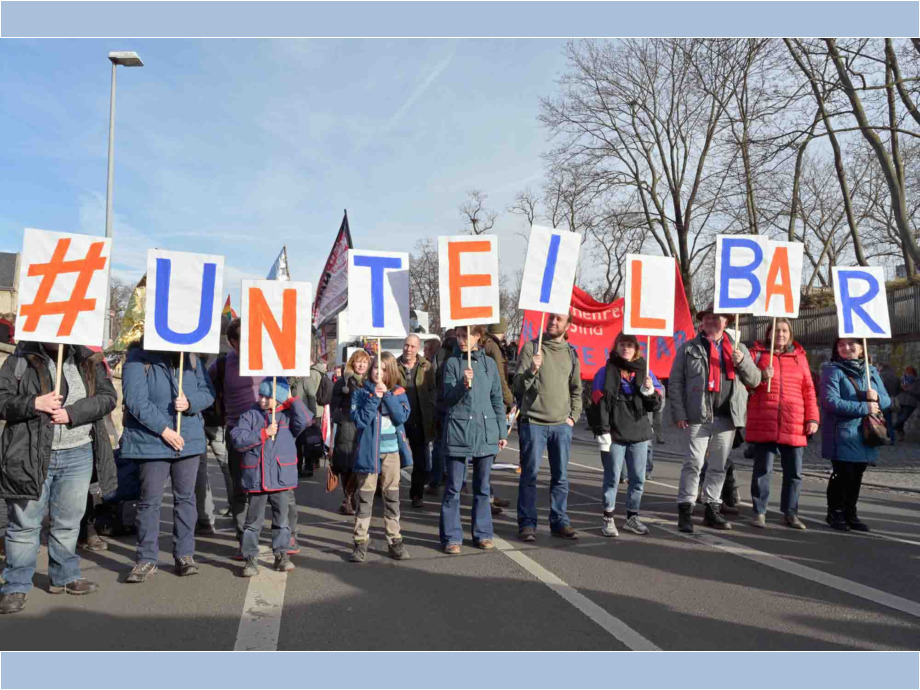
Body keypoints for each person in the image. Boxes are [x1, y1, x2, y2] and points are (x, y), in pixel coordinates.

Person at [0, 342, 117, 614]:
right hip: (29, 454)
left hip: (78, 453)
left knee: (68, 522)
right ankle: (16, 585)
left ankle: (65, 575)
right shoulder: (20, 359)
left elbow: (107, 397)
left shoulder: (88, 359)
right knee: (24, 525)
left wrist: (73, 413)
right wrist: (34, 403)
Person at [120, 343, 215, 583]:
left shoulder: (192, 359)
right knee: (149, 501)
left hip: (188, 440)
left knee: (186, 499)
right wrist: (164, 430)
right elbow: (135, 400)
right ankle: (146, 558)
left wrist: (191, 403)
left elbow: (208, 393)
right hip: (151, 442)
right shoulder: (138, 357)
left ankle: (185, 555)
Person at [669, 305, 761, 533]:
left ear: (726, 322)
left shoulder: (739, 348)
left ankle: (712, 508)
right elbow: (676, 382)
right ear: (702, 322)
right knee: (693, 463)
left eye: (716, 318)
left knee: (718, 466)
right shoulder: (688, 348)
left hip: (727, 417)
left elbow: (755, 380)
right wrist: (679, 412)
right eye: (707, 318)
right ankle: (686, 510)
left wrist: (742, 361)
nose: (711, 321)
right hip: (697, 416)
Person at [513, 312, 583, 541]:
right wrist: (532, 371)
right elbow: (518, 387)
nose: (553, 322)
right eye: (551, 318)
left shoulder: (571, 353)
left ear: (568, 324)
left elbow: (576, 389)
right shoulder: (531, 348)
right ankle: (527, 524)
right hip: (533, 423)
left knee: (560, 477)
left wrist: (573, 417)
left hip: (561, 426)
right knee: (529, 477)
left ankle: (559, 521)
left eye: (559, 319)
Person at [439, 325, 508, 554]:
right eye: (458, 335)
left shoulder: (489, 364)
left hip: (485, 431)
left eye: (465, 335)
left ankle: (483, 533)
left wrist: (501, 432)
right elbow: (447, 399)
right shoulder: (452, 364)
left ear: (478, 336)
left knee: (483, 487)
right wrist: (462, 385)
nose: (461, 340)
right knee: (453, 488)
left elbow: (497, 399)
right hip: (458, 431)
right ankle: (451, 537)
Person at [230, 377, 309, 576]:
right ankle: (250, 558)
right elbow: (237, 438)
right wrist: (263, 433)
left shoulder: (288, 415)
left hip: (280, 479)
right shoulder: (250, 414)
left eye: (269, 396)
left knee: (281, 521)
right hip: (257, 478)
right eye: (261, 395)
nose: (263, 400)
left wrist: (292, 399)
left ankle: (281, 554)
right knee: (252, 523)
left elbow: (306, 420)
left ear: (279, 398)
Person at [745, 319, 819, 530]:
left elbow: (809, 390)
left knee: (794, 472)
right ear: (768, 333)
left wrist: (813, 418)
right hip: (765, 420)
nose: (781, 334)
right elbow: (745, 383)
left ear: (790, 334)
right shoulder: (756, 355)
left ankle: (790, 512)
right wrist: (761, 376)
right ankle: (759, 511)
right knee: (763, 470)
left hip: (794, 422)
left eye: (785, 330)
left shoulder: (799, 358)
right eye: (776, 330)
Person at [588, 333, 663, 537]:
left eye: (630, 345)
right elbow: (597, 403)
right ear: (616, 346)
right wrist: (602, 431)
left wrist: (650, 391)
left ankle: (632, 518)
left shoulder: (645, 371)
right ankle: (608, 519)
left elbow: (656, 405)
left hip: (639, 433)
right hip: (614, 433)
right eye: (622, 344)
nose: (626, 348)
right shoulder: (605, 372)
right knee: (612, 478)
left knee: (638, 479)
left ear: (636, 349)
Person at [819, 338, 891, 532]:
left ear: (861, 348)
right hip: (842, 432)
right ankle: (835, 512)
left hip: (866, 433)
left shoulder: (871, 371)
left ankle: (850, 513)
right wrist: (864, 407)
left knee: (857, 474)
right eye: (841, 345)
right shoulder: (832, 371)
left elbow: (886, 401)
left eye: (851, 344)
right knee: (843, 474)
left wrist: (876, 397)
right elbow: (830, 401)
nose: (846, 348)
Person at [209, 319, 266, 558]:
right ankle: (244, 537)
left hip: (269, 432)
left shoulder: (268, 357)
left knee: (275, 487)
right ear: (232, 341)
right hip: (237, 433)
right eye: (243, 337)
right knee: (240, 487)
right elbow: (206, 391)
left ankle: (285, 536)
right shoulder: (221, 365)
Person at [349, 352, 413, 562]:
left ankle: (395, 540)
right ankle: (360, 542)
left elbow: (401, 417)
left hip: (391, 452)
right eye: (376, 367)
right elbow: (359, 420)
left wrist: (387, 396)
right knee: (365, 497)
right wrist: (374, 398)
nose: (379, 372)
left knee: (392, 497)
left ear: (391, 371)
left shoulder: (398, 392)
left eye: (384, 369)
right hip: (368, 452)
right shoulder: (360, 392)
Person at [396, 334, 437, 509]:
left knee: (420, 461)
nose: (408, 349)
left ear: (418, 348)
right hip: (398, 420)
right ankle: (385, 490)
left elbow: (433, 389)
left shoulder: (426, 366)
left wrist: (431, 407)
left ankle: (416, 494)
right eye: (406, 345)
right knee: (393, 458)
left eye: (412, 346)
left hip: (419, 419)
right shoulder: (393, 365)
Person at [480, 319, 515, 514]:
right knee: (488, 456)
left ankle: (489, 495)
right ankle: (486, 498)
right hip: (494, 404)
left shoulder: (489, 344)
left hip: (490, 402)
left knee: (489, 456)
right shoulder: (493, 347)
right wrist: (510, 400)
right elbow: (500, 379)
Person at [330, 350, 370, 515]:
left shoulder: (371, 381)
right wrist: (342, 419)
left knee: (361, 463)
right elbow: (334, 406)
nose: (361, 365)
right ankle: (348, 499)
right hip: (347, 426)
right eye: (358, 361)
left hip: (365, 426)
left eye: (364, 362)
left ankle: (352, 497)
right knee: (347, 465)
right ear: (353, 363)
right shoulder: (343, 382)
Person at [427, 329, 458, 495]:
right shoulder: (462, 354)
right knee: (458, 445)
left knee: (438, 443)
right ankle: (458, 481)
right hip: (458, 403)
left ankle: (435, 481)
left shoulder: (439, 354)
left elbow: (432, 377)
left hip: (440, 402)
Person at [894, 366, 919, 441]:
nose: (908, 374)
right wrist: (901, 388)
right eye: (907, 372)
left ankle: (891, 428)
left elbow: (918, 392)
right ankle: (901, 435)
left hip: (911, 403)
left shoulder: (917, 381)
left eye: (909, 372)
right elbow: (897, 389)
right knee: (899, 419)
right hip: (901, 401)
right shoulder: (902, 379)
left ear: (913, 373)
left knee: (902, 418)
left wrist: (908, 389)